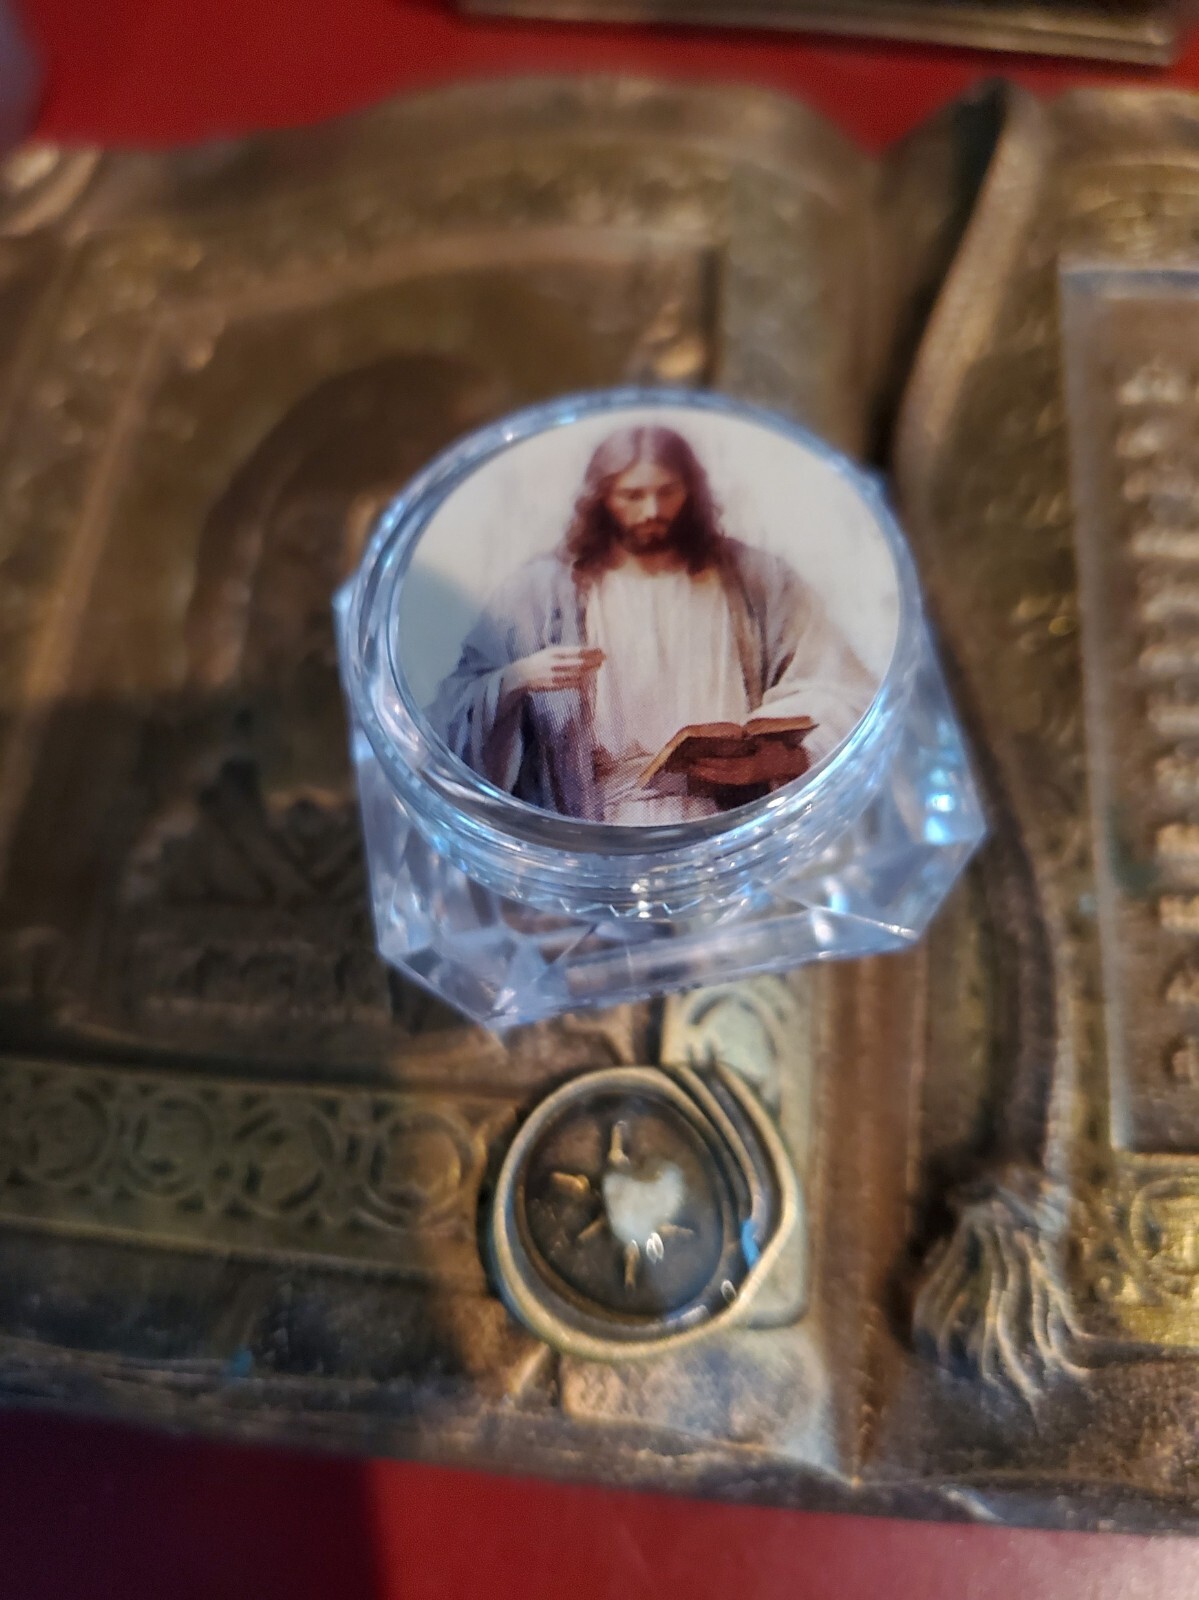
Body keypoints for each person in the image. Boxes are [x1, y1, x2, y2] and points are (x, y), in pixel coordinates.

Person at [427, 425, 876, 825]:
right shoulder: (537, 593)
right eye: (632, 496)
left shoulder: (756, 580)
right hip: (601, 829)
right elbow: (447, 717)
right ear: (601, 497)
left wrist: (775, 759)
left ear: (692, 491)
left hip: (732, 824)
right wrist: (516, 680)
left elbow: (840, 684)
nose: (652, 511)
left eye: (668, 492)